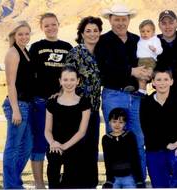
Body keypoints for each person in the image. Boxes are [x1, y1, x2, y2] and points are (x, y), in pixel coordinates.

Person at [96, 4, 150, 180]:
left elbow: (147, 61)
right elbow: (103, 69)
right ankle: (115, 181)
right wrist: (131, 71)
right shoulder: (103, 41)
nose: (120, 23)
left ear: (129, 20)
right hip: (114, 94)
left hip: (136, 96)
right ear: (110, 20)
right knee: (114, 139)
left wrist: (147, 73)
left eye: (123, 19)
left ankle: (139, 181)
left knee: (138, 139)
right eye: (117, 19)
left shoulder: (137, 40)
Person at [29, 12, 73, 188]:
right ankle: (40, 184)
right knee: (40, 143)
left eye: (53, 24)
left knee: (63, 142)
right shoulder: (36, 47)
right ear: (42, 28)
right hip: (41, 102)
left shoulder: (67, 47)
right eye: (46, 25)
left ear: (58, 24)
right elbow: (30, 74)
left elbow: (72, 73)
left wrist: (62, 91)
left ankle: (62, 181)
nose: (50, 28)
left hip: (63, 103)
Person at [65, 16, 103, 188]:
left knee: (91, 151)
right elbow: (67, 81)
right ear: (81, 33)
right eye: (88, 31)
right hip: (76, 111)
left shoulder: (102, 53)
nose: (92, 34)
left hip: (93, 110)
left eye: (95, 30)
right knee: (76, 150)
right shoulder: (75, 53)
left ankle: (90, 185)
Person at [140, 68, 177, 188]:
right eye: (159, 80)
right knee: (160, 186)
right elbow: (148, 131)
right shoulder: (146, 103)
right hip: (155, 149)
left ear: (171, 81)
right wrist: (167, 144)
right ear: (153, 82)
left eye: (166, 79)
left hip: (176, 148)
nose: (162, 83)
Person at [44, 65, 92, 188]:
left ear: (78, 81)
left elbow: (82, 132)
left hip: (75, 146)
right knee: (53, 174)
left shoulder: (84, 103)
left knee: (71, 182)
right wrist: (53, 143)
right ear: (60, 81)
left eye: (72, 79)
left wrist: (64, 146)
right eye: (65, 79)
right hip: (55, 146)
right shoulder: (52, 102)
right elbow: (47, 130)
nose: (69, 83)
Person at [2, 21, 34, 189]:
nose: (24, 37)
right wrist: (15, 109)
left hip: (26, 105)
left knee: (27, 146)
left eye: (26, 34)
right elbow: (10, 84)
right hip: (17, 105)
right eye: (20, 34)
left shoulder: (25, 51)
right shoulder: (13, 53)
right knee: (13, 147)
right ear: (14, 35)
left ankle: (14, 182)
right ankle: (11, 186)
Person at [102, 108, 145, 188]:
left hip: (129, 177)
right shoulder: (106, 138)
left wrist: (139, 180)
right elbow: (107, 160)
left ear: (125, 123)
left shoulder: (129, 136)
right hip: (114, 178)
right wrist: (109, 180)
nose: (117, 125)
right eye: (114, 121)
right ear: (109, 122)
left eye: (121, 122)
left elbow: (135, 158)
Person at [136, 19, 163, 94]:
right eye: (142, 31)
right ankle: (142, 91)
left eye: (148, 31)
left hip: (149, 60)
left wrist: (155, 49)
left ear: (153, 32)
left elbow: (160, 50)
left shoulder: (155, 39)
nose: (145, 33)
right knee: (140, 76)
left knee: (146, 75)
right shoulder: (140, 40)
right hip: (140, 61)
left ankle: (144, 90)